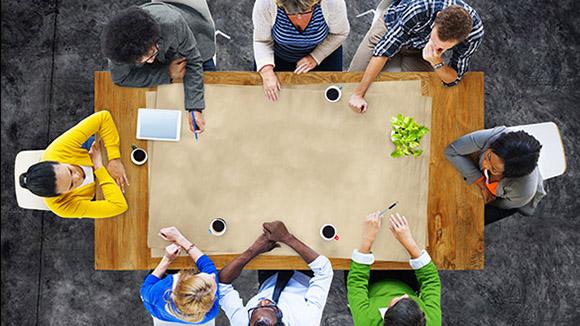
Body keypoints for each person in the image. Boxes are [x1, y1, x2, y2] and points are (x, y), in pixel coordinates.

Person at [101, 0, 216, 135]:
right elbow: (120, 78)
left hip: (194, 38)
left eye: (150, 55)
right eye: (140, 60)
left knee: (212, 98)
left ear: (155, 40)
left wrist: (195, 108)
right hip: (165, 55)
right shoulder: (119, 49)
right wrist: (167, 72)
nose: (148, 62)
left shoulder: (172, 22)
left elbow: (194, 60)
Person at [348, 0, 484, 113]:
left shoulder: (474, 35)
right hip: (390, 28)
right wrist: (359, 94)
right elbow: (384, 50)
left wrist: (436, 61)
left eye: (441, 48)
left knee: (418, 103)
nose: (436, 48)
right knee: (351, 83)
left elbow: (454, 79)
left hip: (419, 50)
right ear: (438, 16)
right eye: (435, 40)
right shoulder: (421, 6)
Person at [218, 221, 334, 325]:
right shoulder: (306, 320)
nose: (262, 301)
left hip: (269, 277)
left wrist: (254, 249)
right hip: (305, 271)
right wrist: (287, 237)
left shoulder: (242, 323)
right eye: (270, 307)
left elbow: (222, 285)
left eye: (256, 308)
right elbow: (324, 271)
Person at [18, 111, 128, 218]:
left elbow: (103, 117)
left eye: (70, 171)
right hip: (98, 187)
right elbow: (118, 206)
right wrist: (99, 168)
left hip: (93, 151)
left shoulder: (57, 150)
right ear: (60, 195)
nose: (78, 177)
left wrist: (114, 159)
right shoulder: (60, 206)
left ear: (58, 161)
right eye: (71, 185)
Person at [347, 212, 441, 326]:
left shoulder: (366, 321)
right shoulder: (432, 322)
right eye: (412, 301)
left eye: (398, 300)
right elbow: (431, 281)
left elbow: (356, 283)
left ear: (386, 312)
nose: (406, 295)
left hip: (369, 285)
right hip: (407, 281)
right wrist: (409, 242)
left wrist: (368, 239)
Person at [444, 127, 545, 225]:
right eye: (488, 156)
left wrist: (486, 200)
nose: (484, 165)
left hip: (508, 201)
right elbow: (450, 151)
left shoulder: (523, 191)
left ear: (508, 175)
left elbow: (502, 204)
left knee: (469, 220)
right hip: (492, 186)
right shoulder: (494, 137)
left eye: (494, 169)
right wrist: (481, 183)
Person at [253, 0, 350, 101]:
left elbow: (339, 33)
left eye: (306, 11)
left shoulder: (333, 2)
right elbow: (262, 41)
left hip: (324, 54)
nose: (298, 16)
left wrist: (315, 57)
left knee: (326, 103)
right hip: (277, 57)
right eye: (290, 12)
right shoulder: (265, 3)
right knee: (269, 102)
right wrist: (266, 70)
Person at [141, 226, 220, 324]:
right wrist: (180, 239)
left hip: (159, 312)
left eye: (201, 275)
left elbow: (145, 288)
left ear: (185, 279)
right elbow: (209, 267)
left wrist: (167, 259)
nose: (212, 275)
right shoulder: (210, 310)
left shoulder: (159, 291)